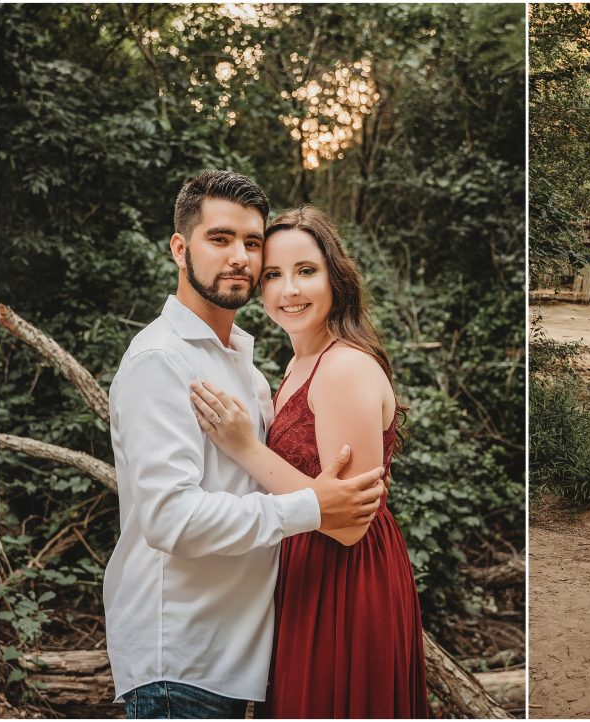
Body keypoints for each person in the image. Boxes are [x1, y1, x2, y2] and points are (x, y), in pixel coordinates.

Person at [104, 170, 387, 719]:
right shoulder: (161, 360)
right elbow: (169, 518)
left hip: (241, 657)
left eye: (251, 242)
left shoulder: (245, 367)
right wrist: (312, 506)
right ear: (180, 249)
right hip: (181, 659)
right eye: (220, 238)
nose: (239, 256)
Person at [189, 205, 428, 718]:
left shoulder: (343, 367)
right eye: (273, 275)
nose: (288, 290)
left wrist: (244, 447)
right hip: (303, 569)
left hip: (345, 577)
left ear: (335, 278)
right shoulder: (300, 363)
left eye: (305, 272)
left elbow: (348, 527)